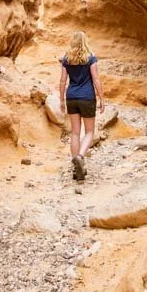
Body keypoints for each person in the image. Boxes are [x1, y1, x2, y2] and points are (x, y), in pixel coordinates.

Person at [59, 30, 105, 180]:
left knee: (75, 133)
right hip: (87, 97)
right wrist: (101, 98)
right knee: (90, 131)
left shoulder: (66, 59)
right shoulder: (91, 58)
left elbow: (62, 81)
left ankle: (75, 168)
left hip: (71, 97)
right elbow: (96, 79)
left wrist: (61, 100)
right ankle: (80, 156)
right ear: (85, 42)